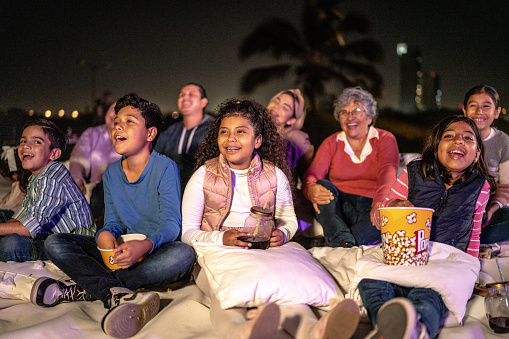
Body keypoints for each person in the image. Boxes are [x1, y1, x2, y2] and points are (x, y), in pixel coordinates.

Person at [182, 98, 359, 339]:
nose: (230, 138)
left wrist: (283, 233)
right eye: (224, 132)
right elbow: (187, 232)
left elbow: (289, 220)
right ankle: (241, 332)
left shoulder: (274, 175)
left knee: (287, 290)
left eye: (240, 132)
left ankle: (313, 331)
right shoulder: (203, 175)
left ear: (257, 140)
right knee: (225, 296)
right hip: (217, 251)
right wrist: (223, 238)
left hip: (263, 250)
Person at [38, 94, 195, 338]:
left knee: (183, 254)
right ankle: (116, 289)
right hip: (120, 254)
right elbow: (113, 222)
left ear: (150, 134)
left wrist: (145, 245)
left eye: (129, 121)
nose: (118, 126)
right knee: (56, 242)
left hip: (156, 250)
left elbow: (171, 224)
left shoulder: (165, 167)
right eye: (117, 121)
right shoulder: (111, 173)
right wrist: (105, 234)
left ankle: (94, 286)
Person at [360, 115, 495, 339]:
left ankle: (417, 330)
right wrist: (393, 206)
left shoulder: (481, 185)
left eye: (468, 138)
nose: (458, 141)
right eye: (449, 136)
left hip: (446, 261)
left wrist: (471, 271)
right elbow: (380, 218)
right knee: (371, 282)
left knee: (429, 296)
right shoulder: (413, 172)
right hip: (404, 255)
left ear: (477, 154)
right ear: (436, 147)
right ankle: (386, 328)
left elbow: (474, 232)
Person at [302, 87, 399, 248]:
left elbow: (387, 172)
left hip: (372, 205)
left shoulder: (385, 139)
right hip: (340, 207)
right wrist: (310, 189)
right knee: (323, 186)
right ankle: (342, 239)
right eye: (344, 112)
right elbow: (312, 174)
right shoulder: (331, 142)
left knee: (390, 219)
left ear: (369, 117)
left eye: (357, 111)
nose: (350, 117)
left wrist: (380, 203)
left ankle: (337, 240)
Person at [0, 119, 95, 262]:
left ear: (54, 154)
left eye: (37, 142)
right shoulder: (37, 176)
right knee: (3, 216)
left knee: (11, 244)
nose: (26, 146)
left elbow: (27, 228)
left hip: (73, 246)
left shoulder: (52, 178)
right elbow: (22, 215)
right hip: (47, 235)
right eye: (23, 141)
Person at [462, 85, 509, 244]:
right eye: (473, 105)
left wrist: (491, 209)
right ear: (465, 111)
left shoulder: (503, 141)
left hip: (488, 208)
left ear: (496, 112)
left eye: (486, 106)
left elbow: (506, 186)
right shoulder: (455, 136)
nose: (479, 111)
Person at [69, 102, 121, 229]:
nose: (115, 115)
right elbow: (78, 160)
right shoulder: (92, 134)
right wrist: (78, 182)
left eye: (120, 112)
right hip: (94, 187)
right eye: (112, 110)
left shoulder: (131, 138)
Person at [155, 82, 213, 194]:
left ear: (203, 102)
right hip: (172, 192)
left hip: (202, 193)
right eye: (181, 95)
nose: (185, 97)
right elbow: (151, 151)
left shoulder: (213, 129)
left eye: (191, 94)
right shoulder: (172, 130)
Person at [267, 89, 314, 179]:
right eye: (275, 101)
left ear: (291, 120)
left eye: (285, 108)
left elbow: (309, 177)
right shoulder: (251, 130)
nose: (276, 107)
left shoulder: (297, 143)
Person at [0, 146, 30, 222]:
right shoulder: (26, 182)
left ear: (14, 175)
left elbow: (9, 205)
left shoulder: (20, 186)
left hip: (13, 216)